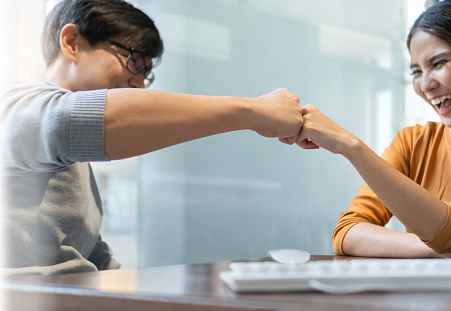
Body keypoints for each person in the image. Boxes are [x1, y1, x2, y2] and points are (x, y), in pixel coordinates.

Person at [0, 0, 302, 275]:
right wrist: (254, 111)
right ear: (72, 43)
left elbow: (92, 254)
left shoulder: (72, 159)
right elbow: (64, 122)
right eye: (133, 61)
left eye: (146, 72)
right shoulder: (14, 102)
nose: (139, 84)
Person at [294, 0, 451, 259]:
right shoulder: (412, 143)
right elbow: (347, 233)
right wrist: (450, 249)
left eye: (438, 63)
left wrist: (350, 146)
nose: (425, 85)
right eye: (417, 71)